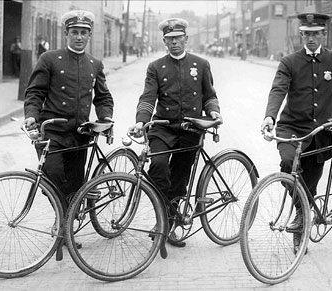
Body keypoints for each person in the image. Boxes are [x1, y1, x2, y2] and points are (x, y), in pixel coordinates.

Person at [260, 13, 332, 254]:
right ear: (301, 35)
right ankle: (303, 213)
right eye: (307, 34)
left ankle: (300, 227)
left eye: (316, 34)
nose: (311, 38)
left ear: (323, 34)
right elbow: (278, 89)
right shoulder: (289, 62)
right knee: (287, 164)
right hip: (292, 128)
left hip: (321, 133)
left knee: (310, 184)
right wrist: (270, 116)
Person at [128, 18, 223, 248]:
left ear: (186, 39)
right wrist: (142, 122)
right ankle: (164, 213)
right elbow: (148, 97)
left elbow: (209, 95)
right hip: (163, 128)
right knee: (158, 166)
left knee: (180, 177)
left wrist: (214, 113)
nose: (174, 43)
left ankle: (168, 222)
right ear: (164, 41)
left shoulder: (201, 65)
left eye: (178, 38)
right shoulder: (156, 67)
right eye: (169, 40)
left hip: (190, 130)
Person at [22, 10, 114, 206]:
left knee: (75, 185)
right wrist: (31, 116)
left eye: (83, 32)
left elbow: (103, 97)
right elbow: (35, 92)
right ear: (66, 34)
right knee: (51, 179)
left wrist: (105, 119)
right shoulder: (49, 59)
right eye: (74, 32)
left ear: (89, 35)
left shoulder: (94, 64)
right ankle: (63, 218)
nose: (79, 37)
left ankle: (66, 228)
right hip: (52, 134)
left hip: (79, 134)